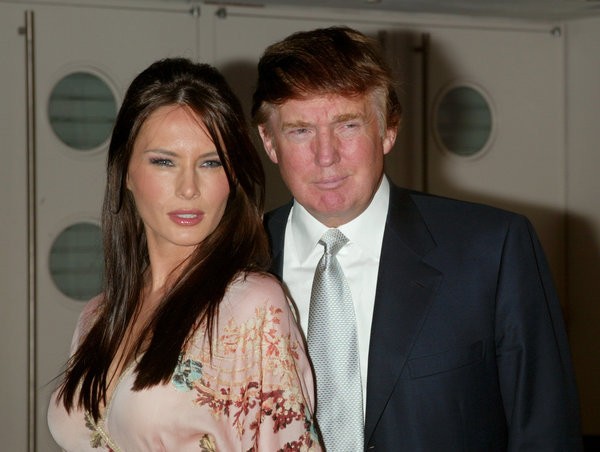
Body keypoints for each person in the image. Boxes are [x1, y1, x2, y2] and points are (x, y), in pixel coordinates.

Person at [252, 26, 582, 451]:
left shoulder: (492, 251)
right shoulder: (232, 262)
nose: (326, 155)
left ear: (388, 130)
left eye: (347, 125)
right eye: (300, 131)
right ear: (269, 141)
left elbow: (546, 433)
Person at [47, 57, 321, 451]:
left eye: (211, 163)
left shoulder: (250, 308)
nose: (189, 188)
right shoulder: (96, 317)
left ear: (233, 177)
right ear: (125, 172)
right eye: (164, 161)